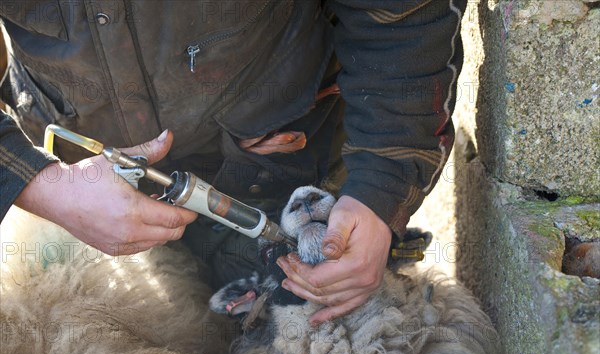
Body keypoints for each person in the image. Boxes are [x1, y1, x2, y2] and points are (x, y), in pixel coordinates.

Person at [0, 0, 467, 326]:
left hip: (294, 170)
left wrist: (383, 181)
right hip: (80, 207)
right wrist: (38, 182)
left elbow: (403, 15)